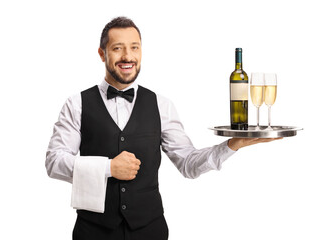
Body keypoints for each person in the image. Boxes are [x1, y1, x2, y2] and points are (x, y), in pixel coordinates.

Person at [45, 16, 280, 240]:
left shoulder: (161, 105)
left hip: (150, 231)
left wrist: (231, 145)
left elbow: (188, 164)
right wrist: (108, 167)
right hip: (93, 232)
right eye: (118, 48)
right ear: (102, 53)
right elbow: (54, 162)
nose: (128, 56)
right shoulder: (76, 104)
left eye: (134, 47)